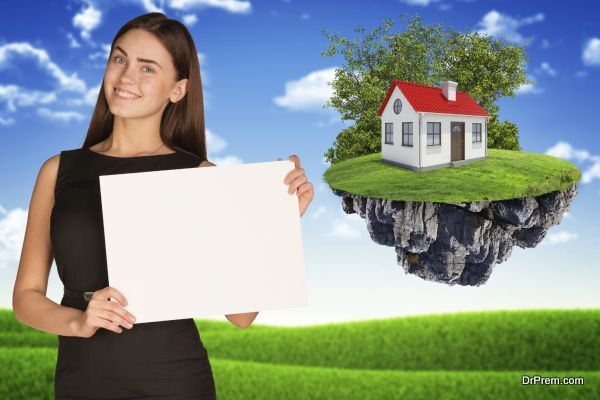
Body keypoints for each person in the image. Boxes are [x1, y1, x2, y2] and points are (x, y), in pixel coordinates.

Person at [12, 12, 314, 399]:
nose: (126, 78)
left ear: (178, 89)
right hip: (81, 381)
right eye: (119, 59)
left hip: (175, 382)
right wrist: (78, 323)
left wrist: (277, 222)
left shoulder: (202, 176)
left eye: (148, 68)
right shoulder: (58, 171)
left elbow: (240, 316)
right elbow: (26, 297)